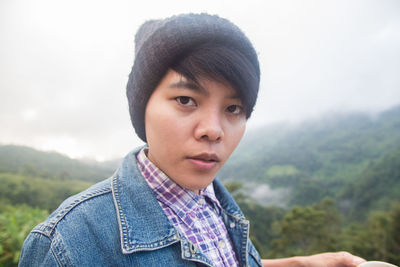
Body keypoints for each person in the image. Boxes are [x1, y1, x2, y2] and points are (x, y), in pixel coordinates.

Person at [19, 13, 366, 267]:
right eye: (186, 100)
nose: (213, 130)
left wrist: (310, 264)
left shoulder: (215, 205)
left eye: (233, 108)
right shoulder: (69, 243)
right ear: (143, 108)